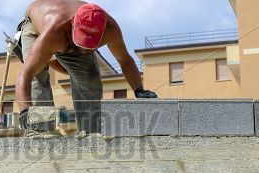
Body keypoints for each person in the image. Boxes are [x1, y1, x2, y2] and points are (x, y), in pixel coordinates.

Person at [16, 0, 158, 133]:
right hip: (35, 26)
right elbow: (25, 75)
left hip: (64, 38)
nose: (85, 49)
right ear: (73, 23)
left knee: (91, 79)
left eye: (90, 44)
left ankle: (90, 134)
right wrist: (24, 111)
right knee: (37, 73)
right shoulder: (53, 33)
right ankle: (41, 132)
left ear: (102, 30)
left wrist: (139, 90)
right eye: (82, 41)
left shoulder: (111, 29)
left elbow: (125, 61)